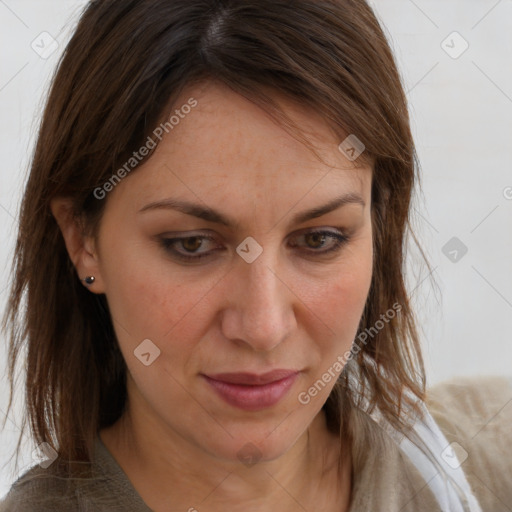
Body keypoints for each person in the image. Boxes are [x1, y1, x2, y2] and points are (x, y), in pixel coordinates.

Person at [1, 0, 511, 510]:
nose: (263, 326)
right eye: (193, 245)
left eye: (319, 239)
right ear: (82, 241)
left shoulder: (488, 467)